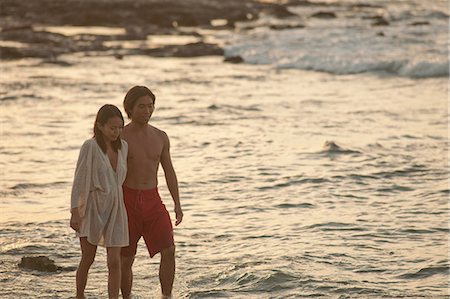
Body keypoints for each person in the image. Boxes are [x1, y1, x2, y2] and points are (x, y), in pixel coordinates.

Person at [120, 86, 183, 299]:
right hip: (127, 201)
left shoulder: (161, 136)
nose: (147, 111)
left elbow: (169, 171)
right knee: (126, 258)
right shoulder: (121, 137)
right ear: (130, 109)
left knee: (169, 250)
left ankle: (166, 296)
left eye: (150, 106)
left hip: (153, 200)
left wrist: (177, 203)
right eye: (141, 107)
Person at [70, 104, 129, 299]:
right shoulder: (90, 146)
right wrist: (75, 212)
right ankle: (80, 295)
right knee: (88, 257)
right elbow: (79, 179)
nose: (117, 132)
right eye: (113, 128)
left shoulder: (123, 147)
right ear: (100, 126)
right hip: (93, 206)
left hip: (116, 206)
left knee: (115, 261)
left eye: (120, 127)